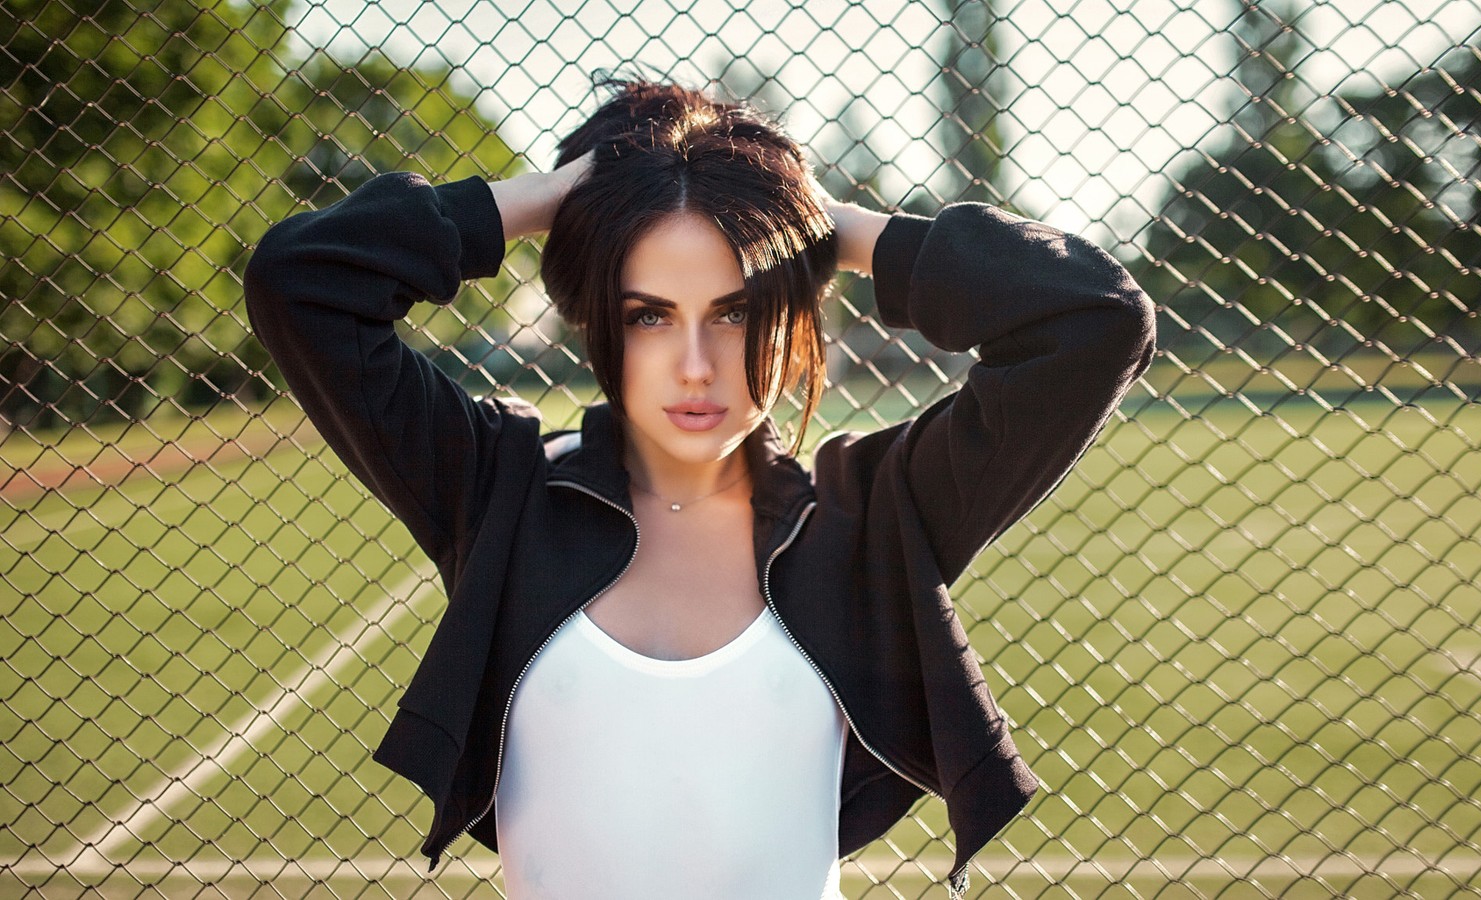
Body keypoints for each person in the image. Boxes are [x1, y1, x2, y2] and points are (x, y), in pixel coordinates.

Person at [243, 79, 1156, 900]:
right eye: (650, 316)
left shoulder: (870, 515)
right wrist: (546, 201)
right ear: (601, 317)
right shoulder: (497, 488)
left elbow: (1095, 319)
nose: (694, 366)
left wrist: (825, 226)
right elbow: (302, 283)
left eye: (736, 312)